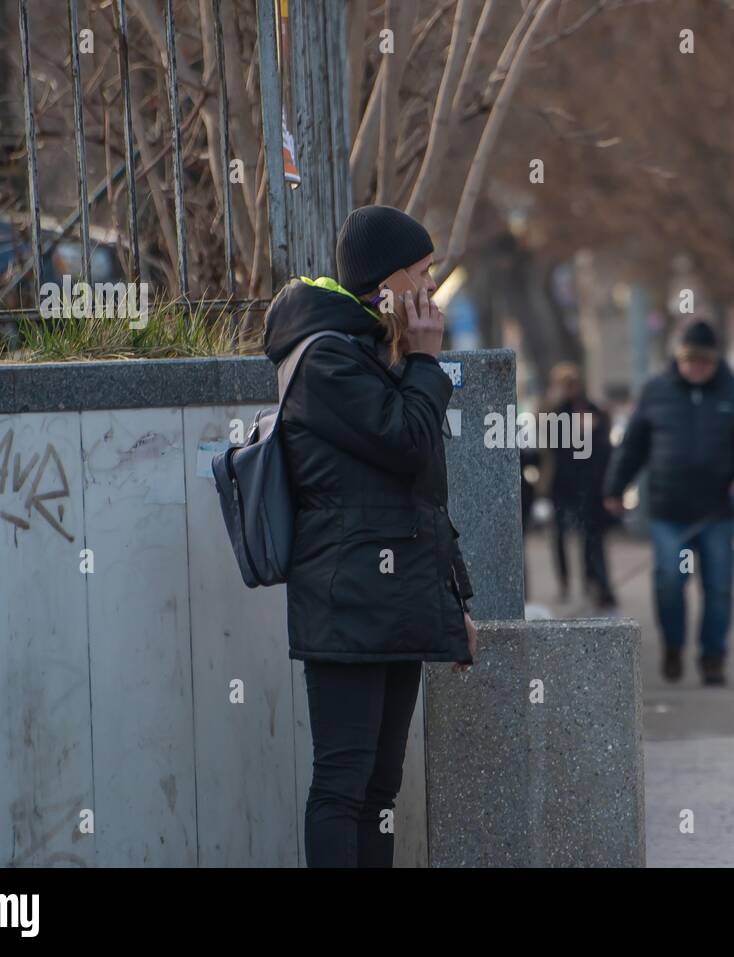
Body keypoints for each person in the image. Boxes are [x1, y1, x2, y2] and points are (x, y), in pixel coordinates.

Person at [261, 204, 476, 867]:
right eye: (423, 272)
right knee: (344, 782)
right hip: (347, 599)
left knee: (383, 785)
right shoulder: (325, 359)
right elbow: (407, 442)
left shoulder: (376, 350)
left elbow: (424, 496)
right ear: (388, 282)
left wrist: (455, 601)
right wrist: (426, 361)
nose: (433, 288)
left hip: (400, 596)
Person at [603, 319, 734, 686]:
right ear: (678, 359)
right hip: (669, 511)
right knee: (670, 584)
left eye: (703, 362)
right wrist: (615, 488)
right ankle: (673, 646)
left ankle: (713, 656)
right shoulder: (656, 391)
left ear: (715, 361)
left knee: (719, 587)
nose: (696, 369)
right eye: (689, 361)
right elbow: (633, 445)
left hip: (718, 512)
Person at [546, 363, 617, 611]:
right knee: (560, 536)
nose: (571, 389)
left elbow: (605, 447)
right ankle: (566, 581)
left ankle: (595, 582)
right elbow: (552, 446)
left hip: (592, 487)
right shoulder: (556, 412)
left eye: (573, 383)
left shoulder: (594, 410)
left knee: (592, 537)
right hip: (564, 485)